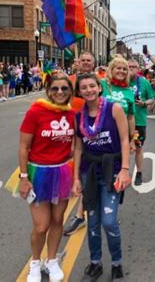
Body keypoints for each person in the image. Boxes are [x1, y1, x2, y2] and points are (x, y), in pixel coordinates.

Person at [72, 73, 131, 280]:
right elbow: (78, 148)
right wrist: (76, 178)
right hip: (89, 172)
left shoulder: (114, 109)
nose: (88, 90)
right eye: (84, 88)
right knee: (93, 221)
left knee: (109, 221)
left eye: (92, 86)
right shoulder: (79, 116)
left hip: (111, 170)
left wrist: (125, 169)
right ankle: (95, 262)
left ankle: (117, 262)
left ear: (99, 88)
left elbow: (125, 140)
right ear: (79, 92)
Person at [17, 73, 76, 282]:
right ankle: (35, 262)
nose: (60, 92)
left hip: (62, 172)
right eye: (55, 89)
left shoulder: (72, 114)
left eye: (64, 89)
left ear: (70, 92)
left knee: (58, 219)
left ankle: (51, 261)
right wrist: (24, 178)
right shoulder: (36, 111)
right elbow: (24, 147)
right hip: (38, 172)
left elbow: (76, 144)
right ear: (48, 90)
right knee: (41, 225)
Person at [63, 51, 97, 236]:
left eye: (88, 60)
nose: (85, 62)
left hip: (92, 135)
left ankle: (80, 214)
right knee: (73, 177)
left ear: (93, 63)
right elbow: (60, 100)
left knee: (87, 175)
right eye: (82, 60)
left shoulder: (99, 81)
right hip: (71, 134)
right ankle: (76, 213)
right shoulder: (70, 80)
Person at [129, 59, 155, 186]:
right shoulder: (119, 82)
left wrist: (144, 103)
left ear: (138, 68)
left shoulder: (144, 83)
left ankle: (138, 173)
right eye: (129, 66)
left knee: (138, 147)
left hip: (139, 122)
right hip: (121, 121)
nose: (131, 69)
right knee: (120, 148)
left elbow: (151, 98)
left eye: (134, 66)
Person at [100, 55, 136, 142]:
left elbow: (130, 116)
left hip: (120, 134)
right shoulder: (102, 84)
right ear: (111, 70)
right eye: (118, 68)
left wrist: (132, 137)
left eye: (124, 69)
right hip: (101, 132)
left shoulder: (129, 91)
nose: (122, 71)